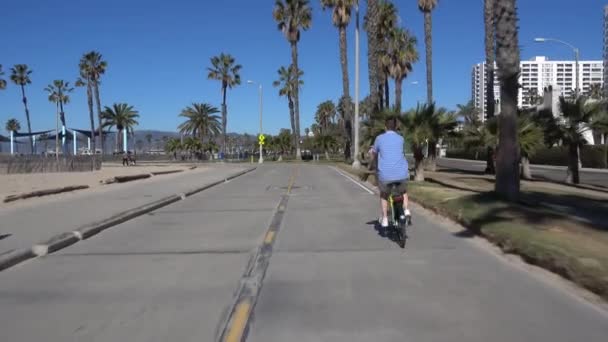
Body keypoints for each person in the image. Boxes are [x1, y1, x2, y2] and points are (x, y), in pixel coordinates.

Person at [370, 116, 411, 228]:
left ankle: (384, 218)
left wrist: (373, 164)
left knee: (384, 194)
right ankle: (406, 210)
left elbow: (373, 154)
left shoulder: (379, 139)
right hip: (402, 174)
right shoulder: (401, 139)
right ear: (396, 127)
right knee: (403, 191)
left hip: (385, 175)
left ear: (385, 127)